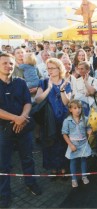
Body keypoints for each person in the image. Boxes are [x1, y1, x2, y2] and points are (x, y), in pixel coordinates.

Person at [0, 53, 42, 208]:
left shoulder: (20, 82)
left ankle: (30, 183)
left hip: (23, 127)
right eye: (4, 63)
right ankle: (4, 193)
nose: (8, 66)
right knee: (3, 164)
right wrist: (15, 118)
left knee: (27, 158)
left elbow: (27, 102)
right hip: (3, 130)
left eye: (10, 63)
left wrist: (22, 117)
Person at [35, 58, 71, 178]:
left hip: (63, 118)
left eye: (52, 68)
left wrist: (62, 90)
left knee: (63, 143)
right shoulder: (43, 82)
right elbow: (38, 99)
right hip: (48, 119)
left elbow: (67, 102)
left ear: (59, 68)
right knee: (50, 143)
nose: (49, 70)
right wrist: (49, 88)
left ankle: (63, 168)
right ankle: (53, 169)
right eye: (48, 68)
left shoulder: (66, 83)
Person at [62, 100, 92, 188]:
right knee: (73, 161)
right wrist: (70, 145)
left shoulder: (85, 118)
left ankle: (84, 176)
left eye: (79, 108)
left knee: (83, 160)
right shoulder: (67, 121)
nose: (78, 110)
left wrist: (89, 130)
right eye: (75, 108)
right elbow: (64, 134)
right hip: (73, 144)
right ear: (70, 109)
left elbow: (88, 127)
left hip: (83, 143)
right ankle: (74, 179)